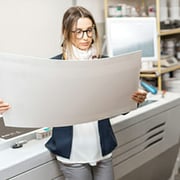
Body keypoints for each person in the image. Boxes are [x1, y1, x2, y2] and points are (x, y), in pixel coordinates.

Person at [0, 6, 147, 180]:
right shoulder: (53, 67)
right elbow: (34, 101)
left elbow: (120, 108)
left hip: (102, 148)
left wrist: (135, 99)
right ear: (66, 32)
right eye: (78, 32)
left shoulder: (106, 64)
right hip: (71, 152)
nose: (85, 37)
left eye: (89, 30)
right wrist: (8, 107)